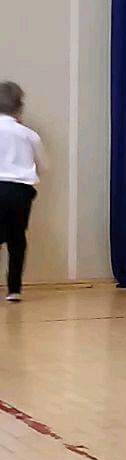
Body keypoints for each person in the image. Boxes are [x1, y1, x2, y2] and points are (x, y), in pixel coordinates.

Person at [0, 81, 43, 302]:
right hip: (20, 191)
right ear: (19, 107)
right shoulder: (29, 134)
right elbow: (43, 164)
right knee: (17, 239)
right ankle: (14, 289)